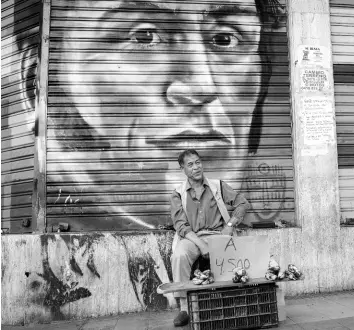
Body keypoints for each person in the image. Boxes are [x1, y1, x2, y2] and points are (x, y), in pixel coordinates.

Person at [18, 0, 284, 230]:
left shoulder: (224, 194)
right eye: (144, 37)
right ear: (36, 84)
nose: (201, 87)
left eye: (224, 39)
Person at [170, 149, 250, 326]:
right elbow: (181, 226)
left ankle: (234, 303)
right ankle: (184, 308)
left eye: (198, 162)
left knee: (236, 256)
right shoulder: (178, 193)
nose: (196, 167)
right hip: (193, 238)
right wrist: (201, 245)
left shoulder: (217, 186)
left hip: (217, 234)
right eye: (190, 164)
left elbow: (242, 203)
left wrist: (230, 226)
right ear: (182, 168)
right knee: (179, 256)